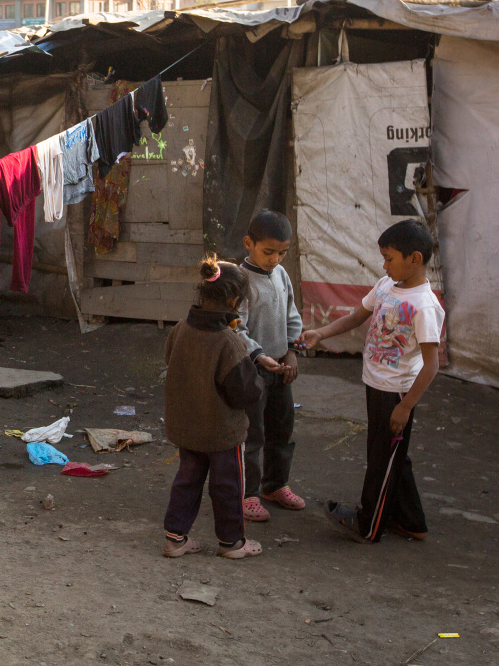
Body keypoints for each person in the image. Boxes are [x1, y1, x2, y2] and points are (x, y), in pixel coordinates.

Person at [298, 219, 444, 543]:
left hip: (396, 393)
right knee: (392, 455)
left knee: (381, 459)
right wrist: (321, 333)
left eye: (390, 258)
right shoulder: (385, 285)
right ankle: (410, 521)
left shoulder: (424, 305)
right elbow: (357, 317)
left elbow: (431, 364)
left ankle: (368, 524)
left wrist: (405, 407)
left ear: (415, 259)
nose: (384, 264)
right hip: (376, 385)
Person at [162, 256, 266, 559]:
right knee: (228, 486)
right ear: (234, 300)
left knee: (187, 480)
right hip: (221, 432)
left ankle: (175, 538)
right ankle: (232, 542)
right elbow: (247, 392)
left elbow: (172, 361)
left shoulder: (180, 329)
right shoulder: (229, 343)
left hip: (187, 427)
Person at [235, 210, 306, 522]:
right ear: (249, 243)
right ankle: (248, 493)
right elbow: (235, 328)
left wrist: (291, 351)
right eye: (268, 252)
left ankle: (275, 485)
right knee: (252, 434)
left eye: (282, 253)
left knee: (282, 428)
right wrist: (257, 355)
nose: (275, 259)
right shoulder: (239, 281)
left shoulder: (281, 275)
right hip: (253, 369)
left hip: (280, 368)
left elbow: (291, 315)